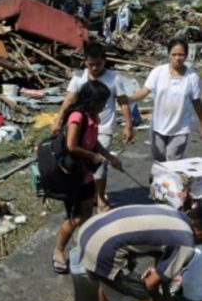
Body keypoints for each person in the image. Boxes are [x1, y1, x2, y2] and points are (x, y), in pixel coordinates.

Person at [51, 79, 122, 274]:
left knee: (87, 215)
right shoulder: (77, 116)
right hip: (72, 174)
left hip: (86, 175)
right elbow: (72, 145)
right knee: (74, 218)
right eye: (102, 102)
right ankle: (58, 251)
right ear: (92, 100)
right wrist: (92, 156)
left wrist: (110, 158)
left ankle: (83, 247)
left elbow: (93, 142)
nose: (104, 106)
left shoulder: (92, 117)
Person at [52, 42, 132, 212]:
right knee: (86, 162)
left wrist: (128, 125)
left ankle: (100, 198)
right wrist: (58, 119)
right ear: (84, 62)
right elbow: (69, 100)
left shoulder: (114, 78)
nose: (94, 68)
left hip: (104, 127)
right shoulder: (79, 78)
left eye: (98, 64)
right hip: (82, 129)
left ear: (105, 60)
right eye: (90, 65)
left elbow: (123, 103)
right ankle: (84, 197)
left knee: (99, 166)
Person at [128, 37, 202, 162]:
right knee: (159, 160)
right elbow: (144, 92)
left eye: (181, 55)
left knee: (173, 162)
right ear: (168, 54)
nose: (177, 58)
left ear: (187, 55)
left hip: (180, 128)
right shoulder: (158, 72)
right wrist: (126, 99)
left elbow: (196, 102)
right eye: (174, 54)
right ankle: (159, 181)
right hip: (158, 126)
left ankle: (172, 180)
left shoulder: (192, 77)